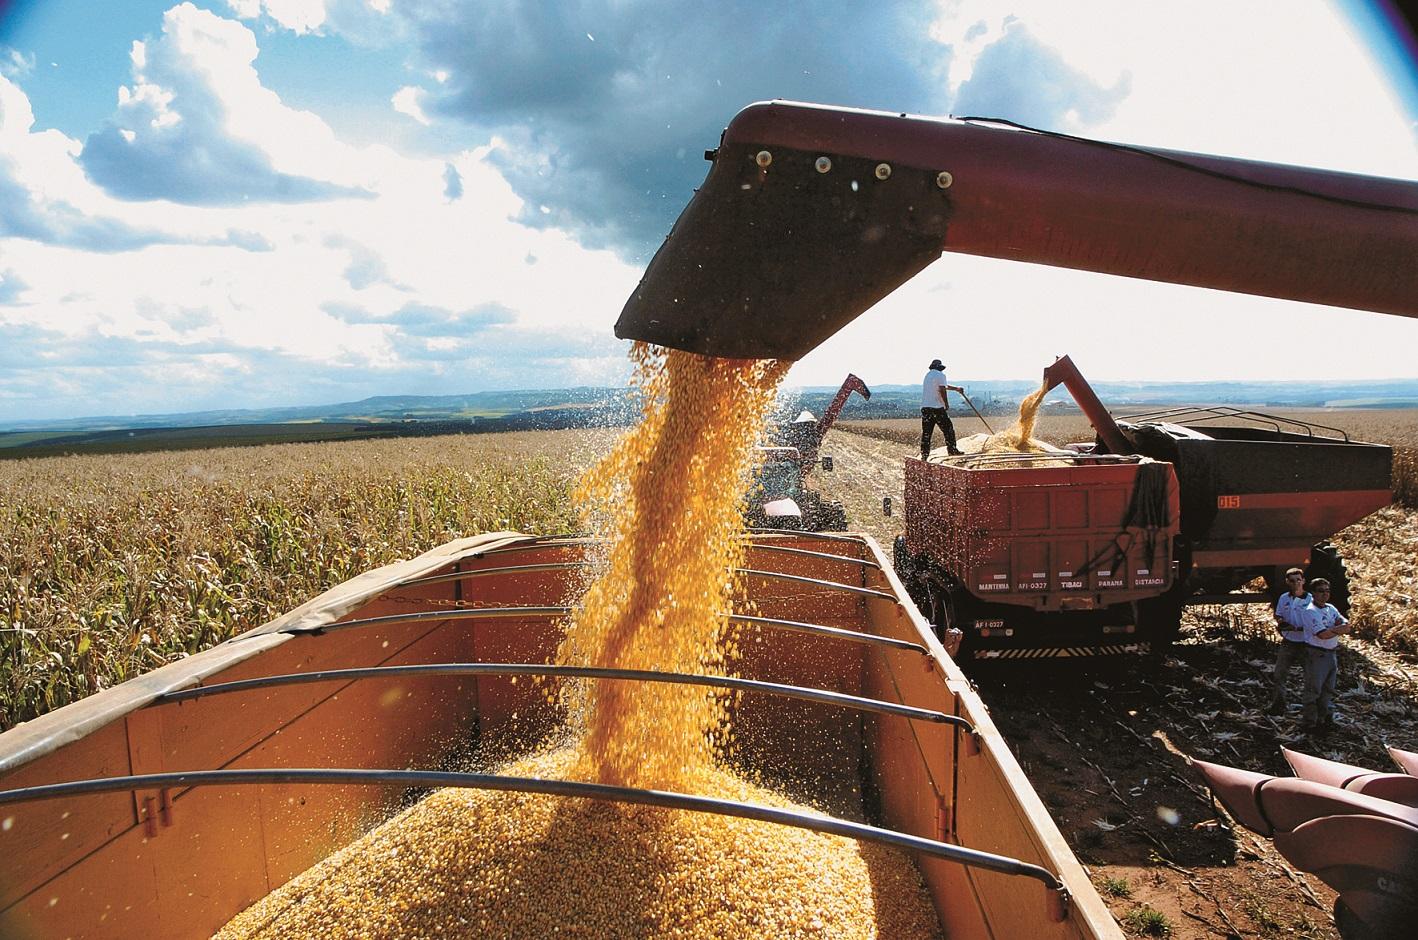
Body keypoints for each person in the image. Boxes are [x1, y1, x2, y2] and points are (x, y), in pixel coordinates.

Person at [1298, 578, 1350, 732]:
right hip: (1316, 655)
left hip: (1331, 654)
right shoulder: (1310, 612)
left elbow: (1346, 625)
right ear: (1313, 593)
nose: (1325, 594)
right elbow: (1323, 634)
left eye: (1327, 591)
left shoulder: (1330, 608)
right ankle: (1310, 723)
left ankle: (1324, 719)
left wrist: (1335, 629)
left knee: (1328, 690)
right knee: (1313, 690)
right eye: (1321, 591)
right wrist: (1336, 629)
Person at [1268, 567, 1311, 714]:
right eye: (1292, 581)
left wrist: (1299, 628)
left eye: (1298, 580)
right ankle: (1278, 706)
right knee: (1279, 675)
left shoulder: (1311, 600)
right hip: (1288, 642)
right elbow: (1278, 614)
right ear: (1287, 582)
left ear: (1303, 581)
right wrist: (1281, 622)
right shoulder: (1283, 598)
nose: (1296, 584)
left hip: (1306, 643)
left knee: (1311, 677)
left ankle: (1311, 708)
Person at [920, 359, 964, 459]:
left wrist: (956, 388)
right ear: (940, 367)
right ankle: (952, 450)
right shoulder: (940, 375)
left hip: (925, 408)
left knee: (926, 433)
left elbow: (943, 386)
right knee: (948, 429)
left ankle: (924, 455)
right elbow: (942, 389)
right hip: (937, 408)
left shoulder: (928, 375)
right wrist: (946, 404)